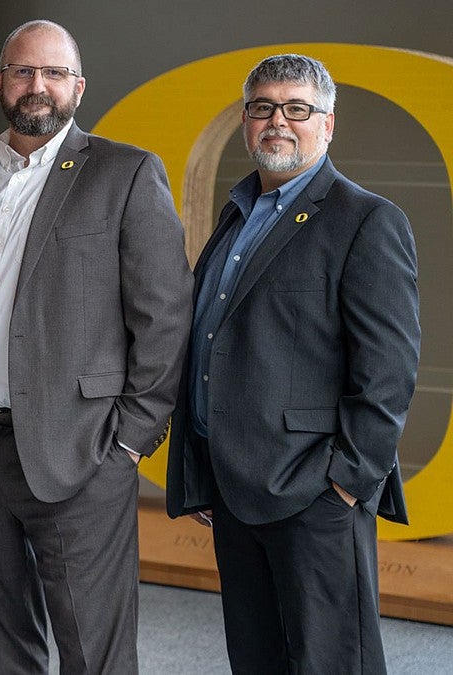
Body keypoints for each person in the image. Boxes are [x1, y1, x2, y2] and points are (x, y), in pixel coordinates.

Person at [0, 20, 193, 674]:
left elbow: (166, 315)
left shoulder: (124, 173)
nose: (38, 86)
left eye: (54, 73)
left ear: (78, 87)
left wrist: (129, 440)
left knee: (94, 646)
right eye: (24, 71)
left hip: (82, 448)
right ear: (0, 81)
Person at [165, 54, 420, 674]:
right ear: (246, 122)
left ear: (327, 124)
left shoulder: (366, 219)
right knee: (258, 661)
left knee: (332, 663)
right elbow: (211, 344)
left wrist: (346, 482)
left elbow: (388, 370)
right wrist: (202, 460)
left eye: (296, 108)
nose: (277, 121)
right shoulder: (237, 214)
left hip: (315, 493)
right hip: (234, 486)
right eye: (261, 107)